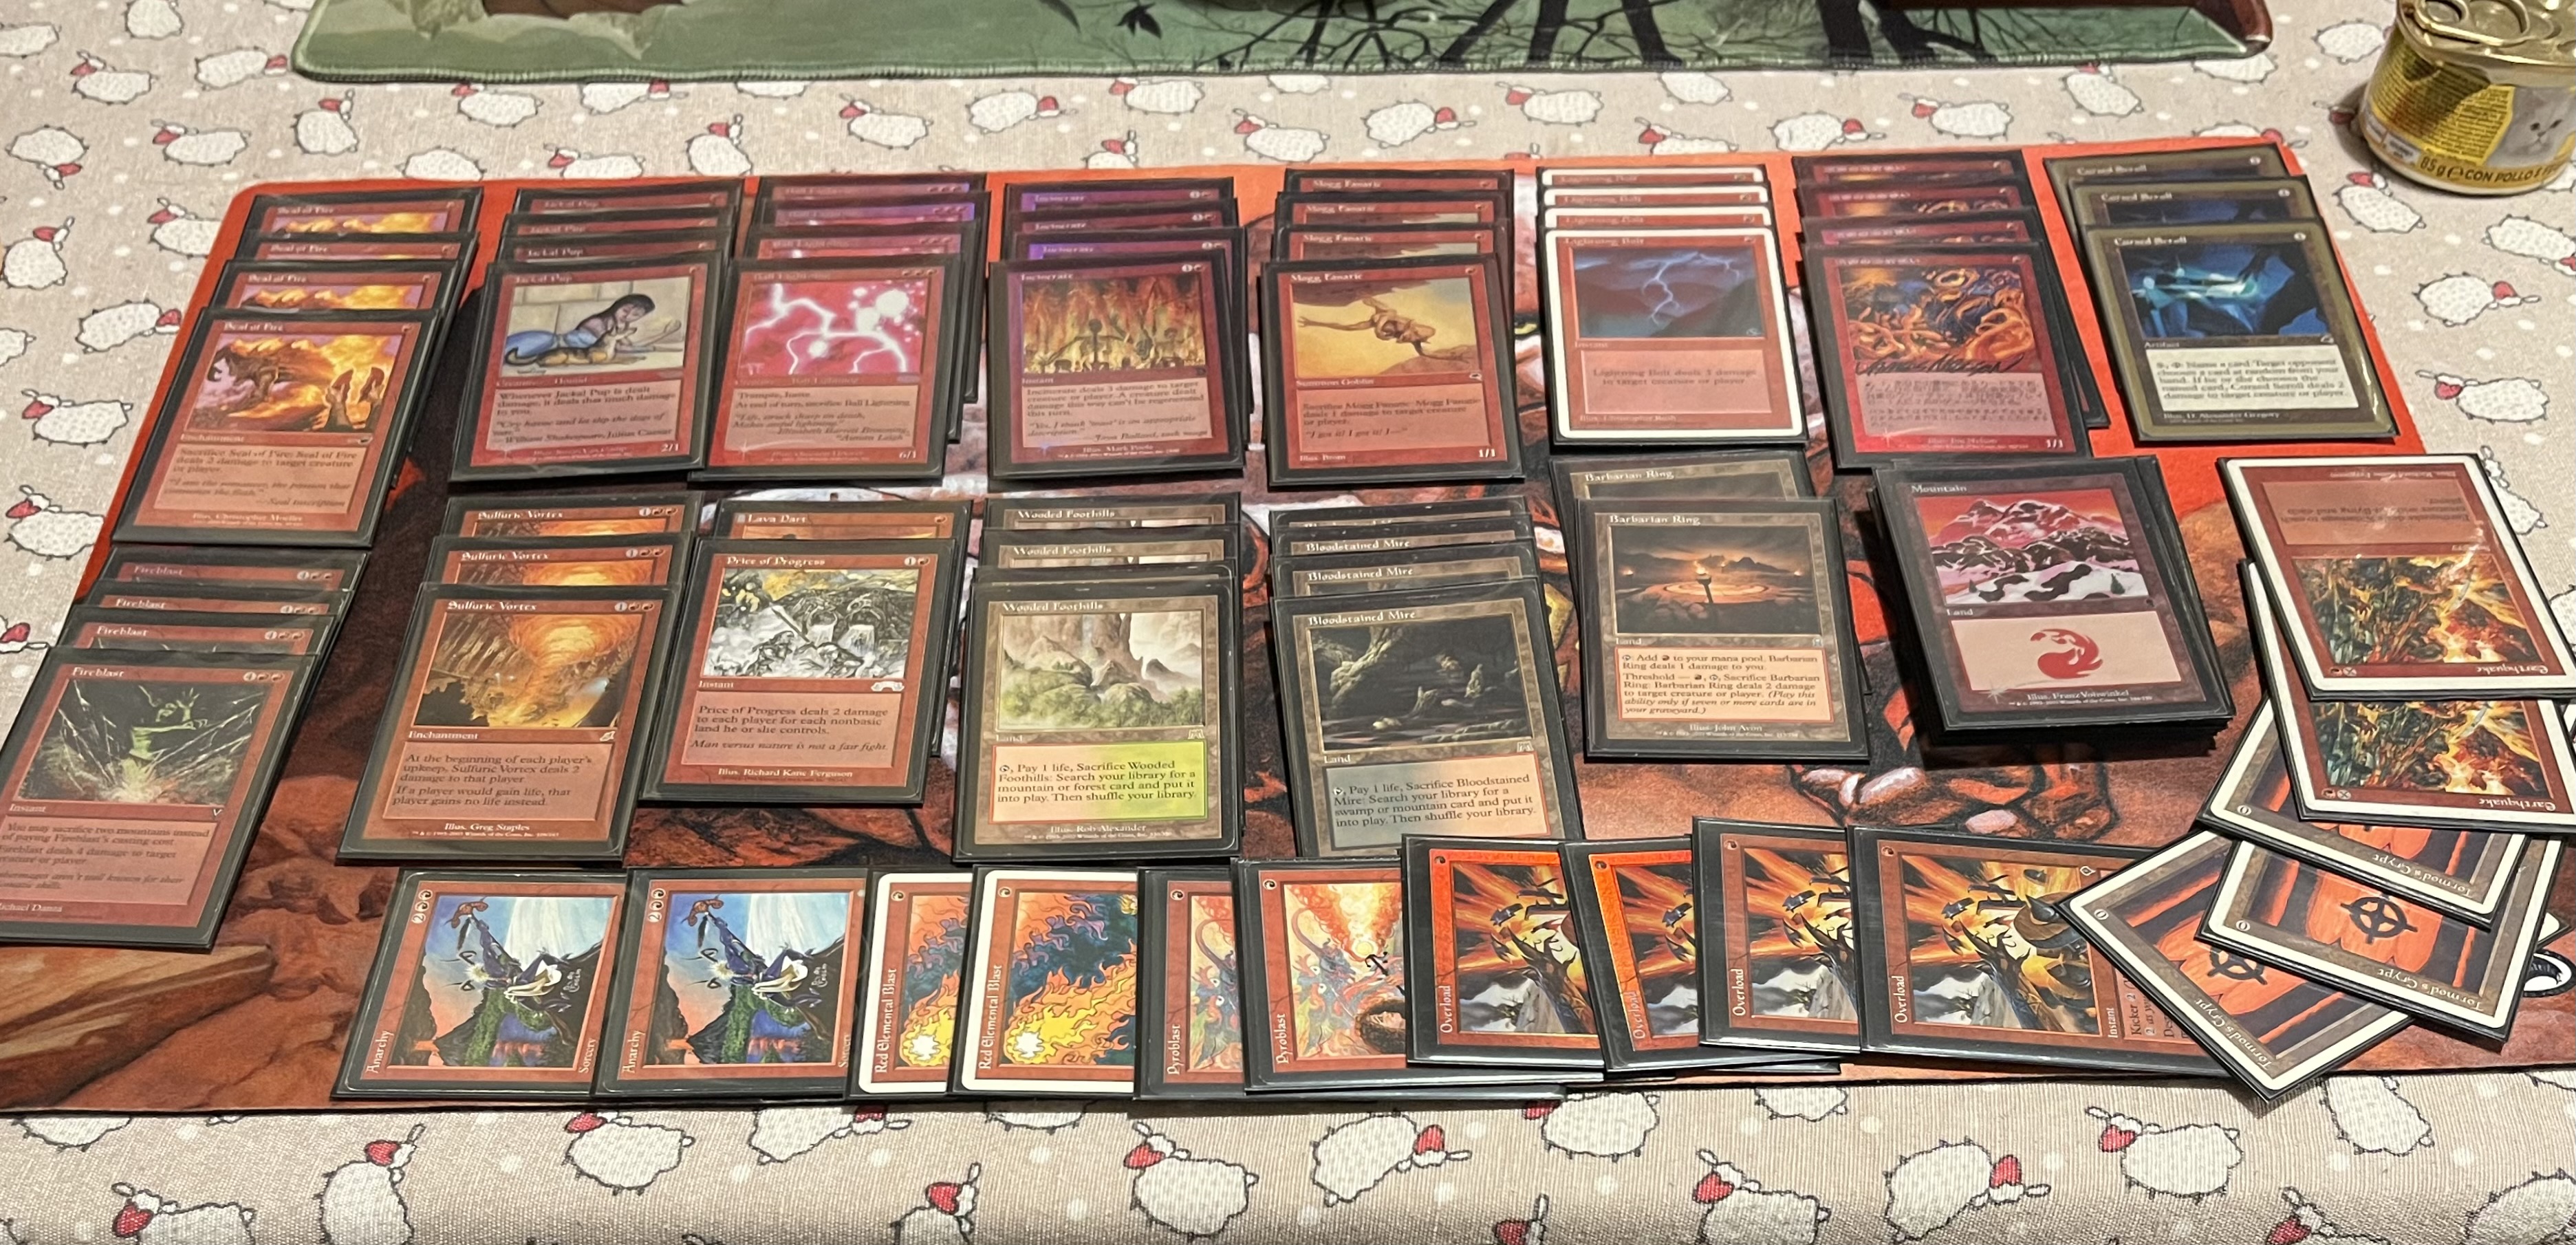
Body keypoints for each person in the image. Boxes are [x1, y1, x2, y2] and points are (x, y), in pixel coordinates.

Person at [504, 292, 657, 367]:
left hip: (554, 351)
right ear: (618, 306)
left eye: (636, 315)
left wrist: (648, 347)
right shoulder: (600, 323)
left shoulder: (618, 327)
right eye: (626, 310)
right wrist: (646, 349)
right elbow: (620, 347)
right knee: (505, 352)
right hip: (549, 342)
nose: (628, 316)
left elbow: (627, 346)